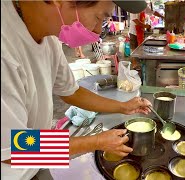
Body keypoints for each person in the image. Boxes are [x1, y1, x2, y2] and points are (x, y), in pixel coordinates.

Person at [1, 1, 150, 179]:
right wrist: (97, 141)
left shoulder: (49, 34)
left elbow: (72, 92)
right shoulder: (6, 53)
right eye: (99, 17)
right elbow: (14, 151)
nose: (97, 32)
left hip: (35, 165)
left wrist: (123, 106)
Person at [129, 4, 164, 69]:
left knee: (139, 47)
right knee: (133, 48)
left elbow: (152, 12)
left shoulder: (143, 6)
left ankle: (140, 62)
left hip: (140, 30)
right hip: (133, 31)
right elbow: (136, 21)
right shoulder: (133, 7)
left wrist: (162, 16)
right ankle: (134, 64)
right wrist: (146, 26)